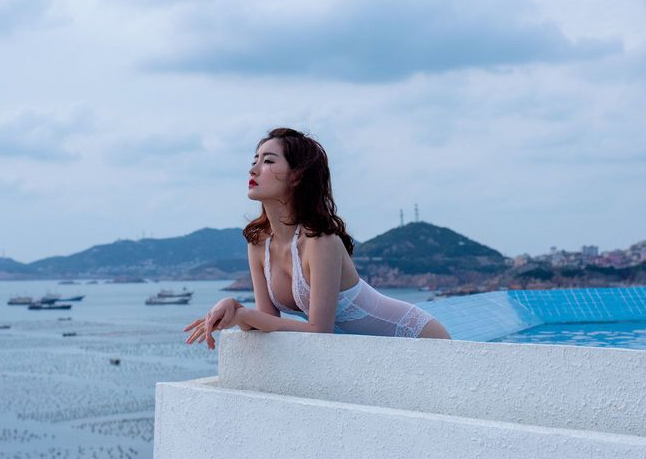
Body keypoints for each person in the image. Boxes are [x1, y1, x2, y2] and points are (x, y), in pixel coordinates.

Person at [184, 127, 452, 349]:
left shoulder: (321, 242)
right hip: (370, 352)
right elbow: (266, 323)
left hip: (416, 336)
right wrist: (231, 306)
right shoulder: (258, 244)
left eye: (268, 161)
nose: (253, 170)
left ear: (297, 176)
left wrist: (243, 314)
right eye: (255, 160)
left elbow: (319, 332)